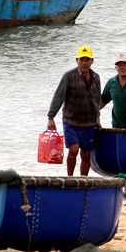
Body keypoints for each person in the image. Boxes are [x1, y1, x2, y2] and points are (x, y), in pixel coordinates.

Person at [47, 45, 102, 176]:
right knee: (73, 150)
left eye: (87, 59)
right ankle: (70, 178)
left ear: (92, 61)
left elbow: (97, 100)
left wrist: (97, 120)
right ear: (77, 60)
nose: (84, 62)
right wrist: (51, 117)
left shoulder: (96, 77)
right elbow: (58, 96)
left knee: (86, 153)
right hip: (71, 121)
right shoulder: (68, 76)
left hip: (89, 123)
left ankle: (83, 180)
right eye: (82, 59)